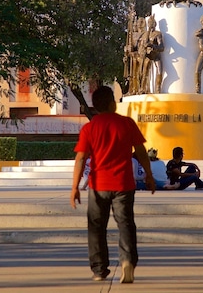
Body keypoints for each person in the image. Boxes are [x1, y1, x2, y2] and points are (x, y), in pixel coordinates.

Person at [70, 85, 154, 284]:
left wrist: (74, 187)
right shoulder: (126, 123)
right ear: (111, 103)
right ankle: (127, 262)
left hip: (98, 186)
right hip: (123, 183)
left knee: (96, 227)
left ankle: (99, 269)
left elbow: (81, 158)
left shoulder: (89, 128)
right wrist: (149, 175)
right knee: (125, 223)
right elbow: (141, 151)